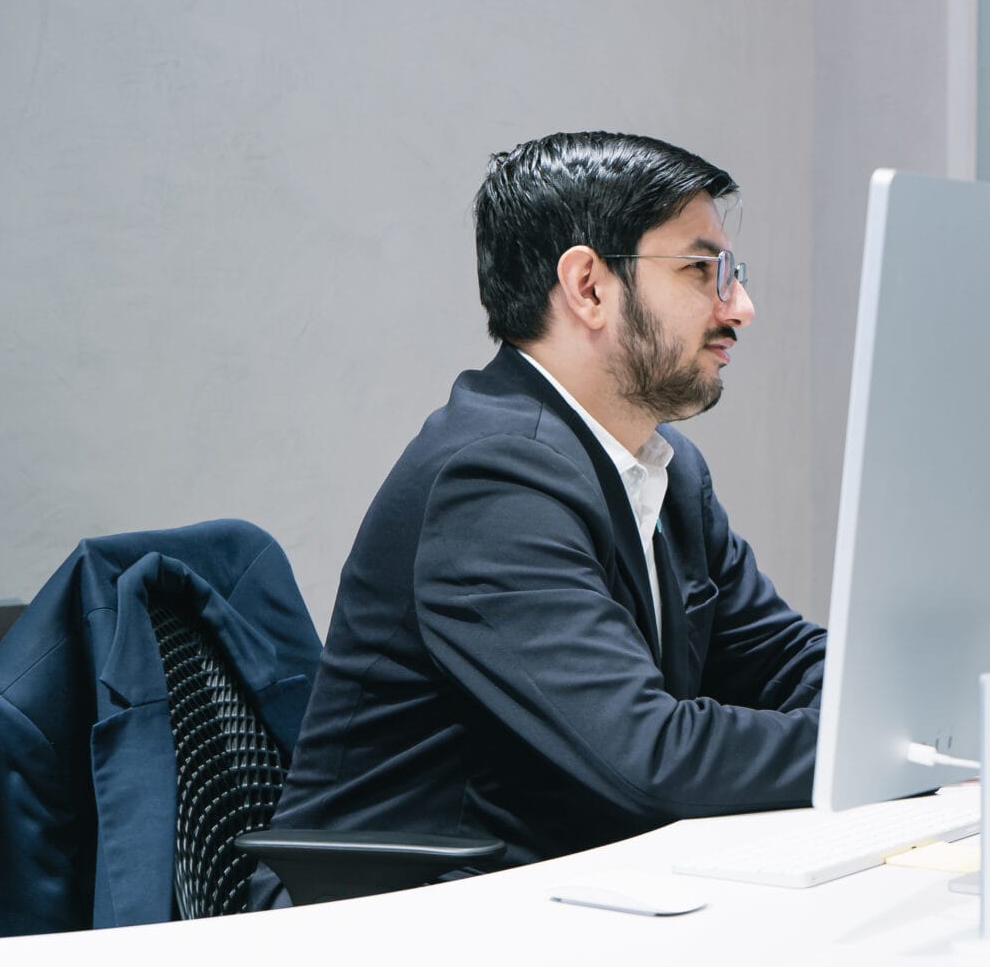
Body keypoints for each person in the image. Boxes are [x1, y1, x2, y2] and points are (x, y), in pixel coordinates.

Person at [252, 132, 826, 907]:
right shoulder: (492, 480)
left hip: (550, 891)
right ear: (588, 287)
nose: (741, 308)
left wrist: (912, 716)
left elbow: (784, 663)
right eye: (702, 270)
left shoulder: (665, 471)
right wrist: (883, 744)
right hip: (398, 921)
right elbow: (651, 761)